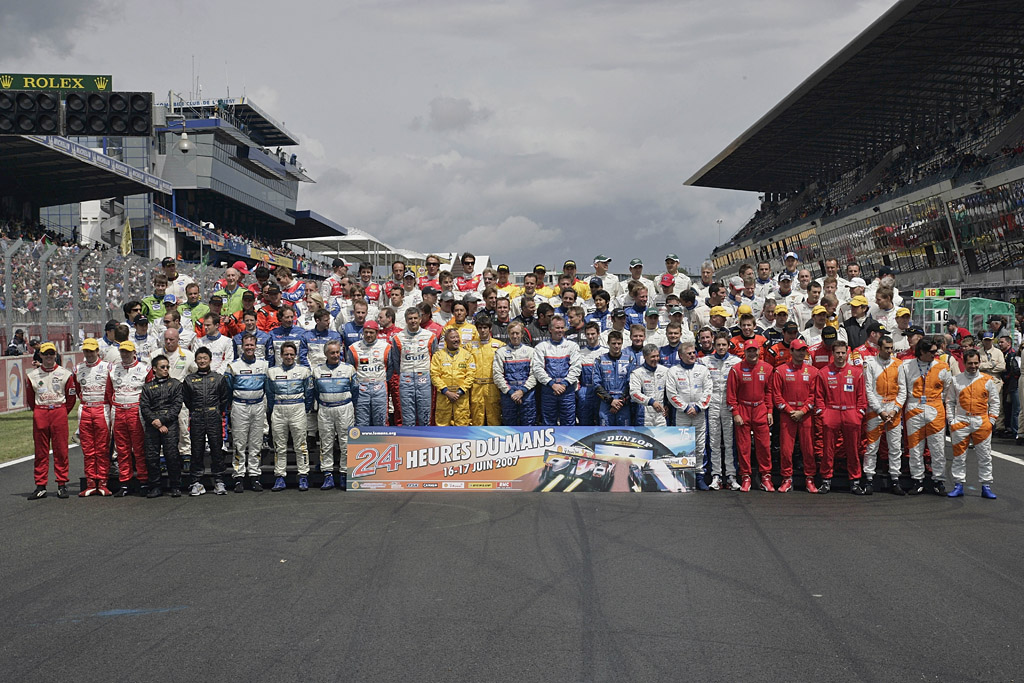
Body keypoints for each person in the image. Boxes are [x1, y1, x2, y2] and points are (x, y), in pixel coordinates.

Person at [899, 337, 954, 495]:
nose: (935, 354)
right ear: (921, 351)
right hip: (913, 408)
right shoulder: (906, 366)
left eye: (936, 351)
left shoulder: (943, 366)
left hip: (935, 407)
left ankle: (939, 481)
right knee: (915, 448)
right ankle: (917, 480)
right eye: (931, 352)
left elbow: (948, 391)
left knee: (937, 448)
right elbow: (902, 389)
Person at [814, 340, 867, 495]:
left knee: (853, 450)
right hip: (831, 412)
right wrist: (823, 414)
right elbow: (819, 397)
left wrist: (859, 414)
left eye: (843, 353)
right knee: (828, 449)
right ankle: (826, 480)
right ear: (832, 354)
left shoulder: (856, 373)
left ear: (847, 354)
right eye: (837, 353)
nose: (840, 356)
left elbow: (861, 396)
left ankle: (855, 481)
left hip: (851, 413)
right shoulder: (823, 372)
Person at [26, 343, 77, 500]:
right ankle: (40, 485)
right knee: (41, 451)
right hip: (41, 411)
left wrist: (61, 412)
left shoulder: (65, 374)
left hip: (59, 411)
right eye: (45, 354)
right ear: (40, 355)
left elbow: (71, 398)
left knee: (61, 450)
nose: (48, 357)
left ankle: (62, 484)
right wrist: (40, 412)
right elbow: (30, 399)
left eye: (51, 353)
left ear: (56, 355)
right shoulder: (32, 375)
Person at [946, 349, 1000, 499]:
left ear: (979, 363)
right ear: (964, 363)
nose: (973, 366)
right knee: (959, 456)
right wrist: (951, 421)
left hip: (981, 421)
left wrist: (991, 421)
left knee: (985, 456)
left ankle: (986, 485)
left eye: (976, 363)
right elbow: (949, 401)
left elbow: (995, 402)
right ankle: (958, 485)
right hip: (961, 421)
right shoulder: (956, 380)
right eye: (970, 363)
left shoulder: (987, 380)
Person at [769, 339, 817, 493]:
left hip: (806, 415)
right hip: (787, 415)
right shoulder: (780, 371)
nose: (801, 353)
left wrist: (803, 411)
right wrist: (790, 411)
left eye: (803, 350)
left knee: (808, 448)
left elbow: (814, 395)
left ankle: (810, 479)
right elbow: (776, 395)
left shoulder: (813, 371)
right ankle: (787, 479)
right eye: (798, 350)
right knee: (786, 449)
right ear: (791, 351)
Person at [182, 347, 230, 496]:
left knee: (217, 449)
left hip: (214, 417)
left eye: (205, 358)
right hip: (196, 417)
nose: (202, 361)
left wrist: (214, 411)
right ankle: (196, 482)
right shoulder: (189, 380)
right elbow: (187, 400)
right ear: (195, 361)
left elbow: (224, 399)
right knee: (197, 450)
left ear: (210, 360)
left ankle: (219, 481)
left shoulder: (219, 378)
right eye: (199, 358)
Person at [225, 333, 270, 493]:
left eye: (252, 345)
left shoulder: (264, 365)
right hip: (240, 406)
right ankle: (238, 477)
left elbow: (267, 388)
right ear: (242, 347)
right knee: (239, 443)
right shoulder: (233, 366)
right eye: (246, 345)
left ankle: (254, 476)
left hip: (258, 406)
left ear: (256, 346)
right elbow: (228, 389)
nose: (249, 347)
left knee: (256, 443)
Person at [266, 341, 313, 492]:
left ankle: (303, 476)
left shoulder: (304, 371)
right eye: (286, 354)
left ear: (296, 355)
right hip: (279, 409)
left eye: (292, 354)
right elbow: (269, 393)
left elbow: (309, 393)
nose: (289, 357)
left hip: (297, 408)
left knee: (301, 445)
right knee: (280, 446)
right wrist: (275, 408)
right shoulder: (272, 372)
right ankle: (280, 477)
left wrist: (304, 409)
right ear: (280, 355)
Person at [862, 335, 906, 495]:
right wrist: (880, 411)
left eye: (891, 348)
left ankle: (895, 479)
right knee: (871, 446)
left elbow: (903, 390)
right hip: (876, 411)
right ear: (879, 348)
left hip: (893, 411)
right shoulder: (870, 363)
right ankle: (869, 479)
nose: (889, 351)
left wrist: (894, 410)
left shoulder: (899, 364)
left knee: (895, 447)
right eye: (886, 348)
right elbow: (868, 389)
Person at [105, 340, 150, 495]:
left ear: (134, 352)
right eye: (122, 351)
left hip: (136, 411)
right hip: (118, 411)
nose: (125, 354)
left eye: (127, 351)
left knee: (139, 449)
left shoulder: (144, 368)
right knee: (122, 449)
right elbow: (109, 392)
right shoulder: (112, 369)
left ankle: (144, 481)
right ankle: (124, 483)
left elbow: (149, 391)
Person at [666, 342, 712, 489]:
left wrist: (698, 407)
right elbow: (671, 394)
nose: (693, 355)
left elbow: (708, 390)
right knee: (682, 445)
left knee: (699, 446)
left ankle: (699, 476)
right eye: (689, 353)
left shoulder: (703, 370)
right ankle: (683, 477)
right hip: (682, 414)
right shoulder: (673, 371)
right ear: (680, 356)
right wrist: (685, 408)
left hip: (699, 413)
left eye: (694, 352)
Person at [312, 340, 356, 490]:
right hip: (325, 409)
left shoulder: (349, 369)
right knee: (326, 442)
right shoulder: (317, 370)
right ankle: (328, 475)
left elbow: (355, 390)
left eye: (338, 352)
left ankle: (344, 474)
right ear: (326, 354)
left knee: (345, 442)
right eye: (332, 352)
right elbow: (315, 393)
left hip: (344, 408)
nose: (336, 355)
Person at [140, 354, 184, 498]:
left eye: (167, 367)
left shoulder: (176, 384)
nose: (165, 370)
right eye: (162, 367)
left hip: (169, 424)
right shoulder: (147, 387)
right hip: (153, 424)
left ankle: (175, 486)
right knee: (152, 457)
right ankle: (155, 487)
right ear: (154, 369)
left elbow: (176, 406)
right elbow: (144, 407)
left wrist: (163, 421)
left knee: (172, 456)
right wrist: (157, 423)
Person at [74, 339, 113, 497]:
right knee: (88, 448)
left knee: (102, 448)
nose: (89, 354)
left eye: (91, 351)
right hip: (85, 408)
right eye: (86, 351)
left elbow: (110, 391)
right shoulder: (78, 368)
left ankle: (103, 483)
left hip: (102, 408)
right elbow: (77, 390)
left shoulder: (107, 367)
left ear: (98, 351)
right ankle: (90, 483)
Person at [390, 307, 437, 426]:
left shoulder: (430, 336)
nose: (413, 321)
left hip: (424, 377)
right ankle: (410, 442)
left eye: (415, 318)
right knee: (407, 415)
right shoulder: (398, 338)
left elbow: (435, 357)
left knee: (425, 414)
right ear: (406, 320)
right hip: (406, 377)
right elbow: (396, 360)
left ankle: (426, 441)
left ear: (420, 319)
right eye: (410, 318)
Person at [532, 316, 582, 425]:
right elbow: (537, 368)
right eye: (557, 327)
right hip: (549, 390)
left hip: (567, 390)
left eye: (562, 328)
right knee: (548, 422)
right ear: (550, 329)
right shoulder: (541, 347)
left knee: (569, 422)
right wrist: (552, 384)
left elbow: (576, 368)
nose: (560, 330)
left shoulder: (572, 346)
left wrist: (564, 384)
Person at [160, 328, 197, 467]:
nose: (169, 342)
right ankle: (162, 456)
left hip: (180, 397)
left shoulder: (188, 355)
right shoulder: (157, 354)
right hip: (161, 398)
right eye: (166, 339)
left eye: (172, 340)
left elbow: (194, 374)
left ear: (178, 340)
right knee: (163, 427)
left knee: (183, 425)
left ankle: (185, 454)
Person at [349, 320, 393, 426]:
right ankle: (363, 443)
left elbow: (391, 367)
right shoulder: (353, 348)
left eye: (371, 332)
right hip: (361, 388)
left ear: (377, 333)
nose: (368, 335)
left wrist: (383, 379)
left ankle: (381, 442)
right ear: (362, 332)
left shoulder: (386, 347)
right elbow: (350, 368)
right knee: (361, 420)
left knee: (380, 419)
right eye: (366, 332)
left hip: (379, 387)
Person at [493, 322, 538, 426]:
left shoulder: (531, 351)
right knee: (509, 425)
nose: (515, 336)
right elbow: (497, 375)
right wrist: (510, 392)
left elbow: (535, 374)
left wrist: (522, 391)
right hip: (508, 395)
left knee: (528, 424)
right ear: (508, 334)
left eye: (517, 333)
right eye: (512, 333)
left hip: (527, 394)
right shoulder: (501, 352)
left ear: (522, 334)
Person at [431, 328, 476, 426]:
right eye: (452, 337)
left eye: (457, 337)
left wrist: (459, 392)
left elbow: (471, 375)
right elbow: (434, 375)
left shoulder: (467, 355)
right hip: (444, 396)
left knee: (462, 424)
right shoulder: (438, 356)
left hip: (461, 396)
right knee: (442, 426)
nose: (456, 340)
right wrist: (446, 392)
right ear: (446, 341)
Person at [470, 316, 505, 425]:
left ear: (490, 328)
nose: (482, 330)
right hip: (476, 386)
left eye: (485, 327)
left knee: (494, 416)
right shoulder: (469, 346)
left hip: (492, 385)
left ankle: (495, 440)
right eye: (480, 327)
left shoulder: (500, 345)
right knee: (476, 416)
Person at [594, 331, 633, 427]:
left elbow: (632, 384)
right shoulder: (600, 360)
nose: (616, 346)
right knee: (604, 433)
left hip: (623, 403)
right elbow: (596, 385)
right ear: (608, 343)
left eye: (619, 343)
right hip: (606, 402)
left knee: (624, 434)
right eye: (613, 343)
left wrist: (620, 402)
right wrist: (611, 401)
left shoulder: (629, 360)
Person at [575, 322, 607, 426]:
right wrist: (579, 390)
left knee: (602, 421)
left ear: (598, 334)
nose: (590, 336)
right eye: (588, 334)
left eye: (593, 334)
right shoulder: (580, 352)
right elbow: (575, 374)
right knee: (584, 423)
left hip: (602, 392)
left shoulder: (606, 352)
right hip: (585, 391)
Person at [629, 344, 669, 427]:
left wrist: (668, 404)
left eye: (657, 356)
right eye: (652, 357)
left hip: (661, 414)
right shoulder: (637, 373)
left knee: (662, 438)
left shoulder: (665, 371)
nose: (656, 359)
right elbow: (634, 393)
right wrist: (651, 402)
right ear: (645, 357)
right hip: (644, 415)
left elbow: (670, 390)